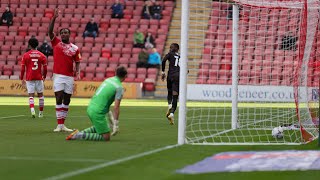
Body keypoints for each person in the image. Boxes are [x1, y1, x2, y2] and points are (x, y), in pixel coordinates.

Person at [66, 66, 128, 141]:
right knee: (106, 137)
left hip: (91, 107)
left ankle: (79, 133)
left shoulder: (108, 80)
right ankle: (79, 135)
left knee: (105, 126)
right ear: (125, 76)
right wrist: (116, 124)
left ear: (115, 73)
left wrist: (111, 120)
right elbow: (116, 107)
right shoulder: (119, 87)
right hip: (98, 112)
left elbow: (105, 100)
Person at [48, 8, 81, 132]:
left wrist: (77, 71)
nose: (64, 34)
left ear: (69, 34)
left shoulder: (75, 48)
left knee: (67, 99)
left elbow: (77, 61)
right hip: (58, 75)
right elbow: (50, 31)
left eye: (66, 32)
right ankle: (59, 124)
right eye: (62, 33)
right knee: (58, 97)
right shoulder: (56, 43)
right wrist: (54, 18)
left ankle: (63, 125)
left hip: (69, 76)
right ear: (60, 35)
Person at [20, 37, 47, 118]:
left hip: (29, 78)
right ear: (37, 45)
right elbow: (45, 68)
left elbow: (22, 69)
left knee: (31, 95)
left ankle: (32, 110)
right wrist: (44, 76)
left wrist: (22, 78)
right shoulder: (42, 55)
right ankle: (41, 113)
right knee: (41, 95)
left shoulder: (25, 55)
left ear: (29, 45)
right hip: (39, 77)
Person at [161, 43, 180, 125]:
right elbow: (185, 69)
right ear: (178, 49)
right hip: (177, 76)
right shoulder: (180, 56)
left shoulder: (169, 54)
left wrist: (162, 72)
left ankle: (169, 105)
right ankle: (172, 113)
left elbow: (163, 60)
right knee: (175, 95)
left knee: (169, 91)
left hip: (170, 75)